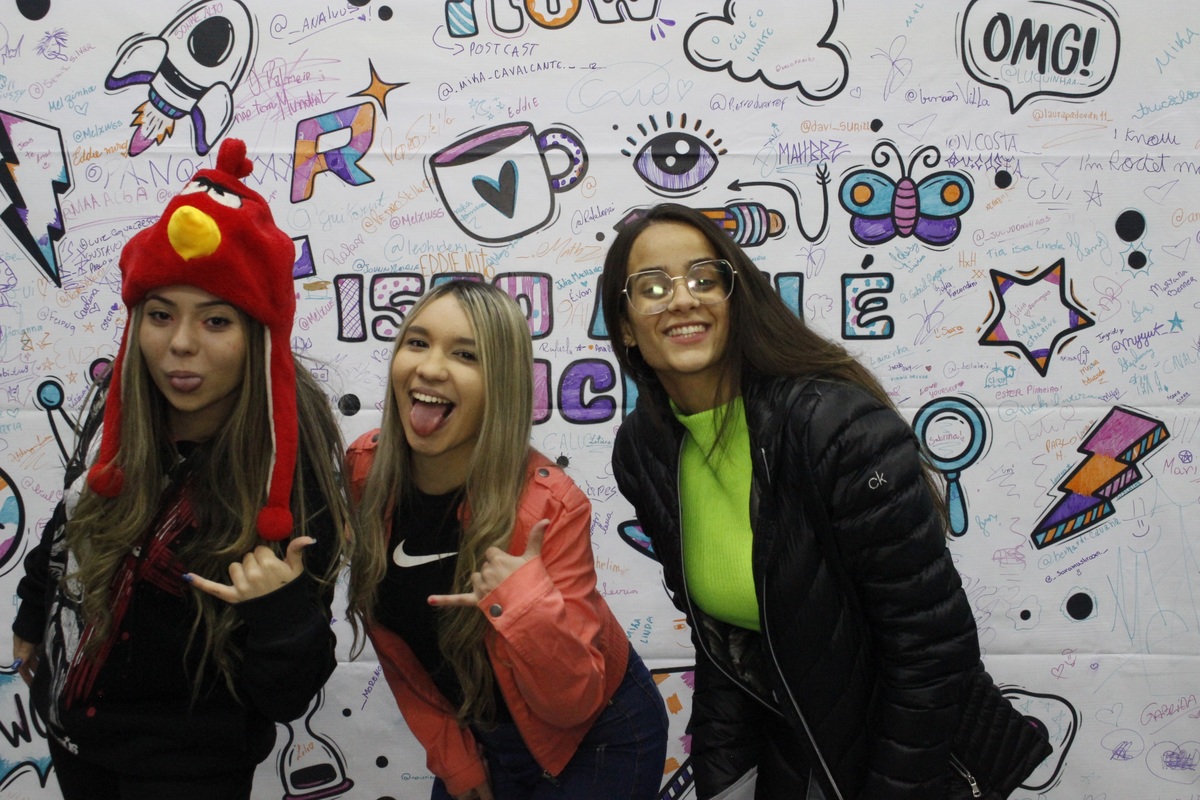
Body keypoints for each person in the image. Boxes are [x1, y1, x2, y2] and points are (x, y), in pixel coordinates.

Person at [599, 203, 1049, 799]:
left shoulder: (835, 426)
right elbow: (725, 645)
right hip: (796, 747)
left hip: (910, 751)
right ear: (627, 328)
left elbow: (931, 651)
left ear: (736, 300)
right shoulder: (645, 450)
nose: (682, 299)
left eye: (705, 279)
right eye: (652, 287)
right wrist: (725, 783)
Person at [11, 139, 351, 800]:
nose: (181, 344)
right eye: (161, 315)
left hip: (188, 773)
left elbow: (287, 695)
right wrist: (31, 613)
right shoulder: (123, 414)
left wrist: (280, 611)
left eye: (216, 321)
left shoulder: (289, 478)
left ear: (257, 337)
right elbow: (71, 521)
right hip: (77, 746)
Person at [345, 279, 668, 800]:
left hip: (600, 736)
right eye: (417, 342)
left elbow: (573, 703)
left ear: (503, 384)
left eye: (465, 354)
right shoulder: (366, 471)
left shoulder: (550, 506)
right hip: (481, 732)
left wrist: (526, 606)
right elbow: (397, 645)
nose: (430, 368)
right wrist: (455, 760)